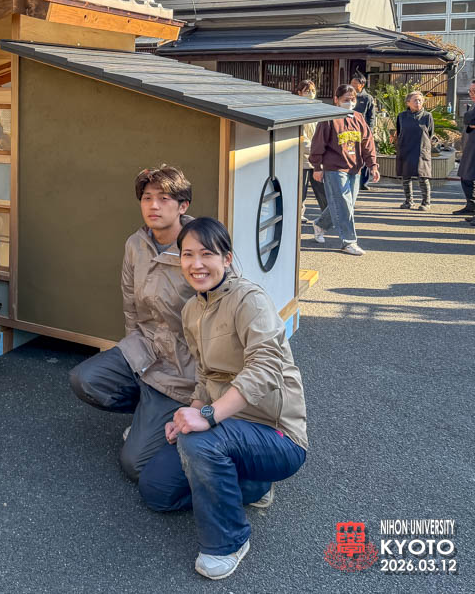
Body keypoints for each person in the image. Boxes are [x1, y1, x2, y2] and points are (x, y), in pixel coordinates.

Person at [135, 218, 308, 581]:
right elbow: (204, 376)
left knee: (200, 444)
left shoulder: (249, 299)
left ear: (226, 259)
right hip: (227, 425)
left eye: (207, 254)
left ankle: (229, 540)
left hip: (275, 434)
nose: (196, 264)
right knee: (156, 489)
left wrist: (209, 416)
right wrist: (190, 413)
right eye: (188, 255)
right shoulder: (192, 310)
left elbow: (266, 367)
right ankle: (252, 485)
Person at [69, 166, 197, 481]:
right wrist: (133, 356)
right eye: (147, 198)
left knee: (135, 465)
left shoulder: (199, 248)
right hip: (146, 348)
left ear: (182, 206)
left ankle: (181, 427)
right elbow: (131, 305)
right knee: (85, 380)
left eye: (164, 199)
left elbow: (225, 315)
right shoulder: (135, 244)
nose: (153, 206)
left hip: (184, 366)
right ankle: (148, 416)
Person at [310, 84, 379, 256]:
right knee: (343, 205)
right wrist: (317, 167)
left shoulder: (358, 117)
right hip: (334, 167)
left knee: (346, 204)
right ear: (336, 100)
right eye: (346, 100)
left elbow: (367, 143)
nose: (350, 103)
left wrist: (372, 165)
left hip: (355, 167)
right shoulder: (328, 118)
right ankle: (348, 242)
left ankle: (320, 224)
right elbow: (318, 144)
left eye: (352, 99)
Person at [394, 91, 435, 211]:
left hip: (421, 149)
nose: (418, 102)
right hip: (405, 148)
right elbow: (399, 131)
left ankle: (426, 202)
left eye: (420, 100)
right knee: (406, 177)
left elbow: (430, 133)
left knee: (423, 177)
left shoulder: (427, 116)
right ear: (408, 102)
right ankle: (409, 201)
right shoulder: (401, 116)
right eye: (415, 100)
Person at [294, 80, 327, 222]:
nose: (311, 94)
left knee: (322, 190)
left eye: (313, 91)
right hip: (304, 158)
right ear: (299, 93)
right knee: (301, 190)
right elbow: (301, 137)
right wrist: (316, 150)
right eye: (307, 91)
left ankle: (329, 216)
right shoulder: (296, 111)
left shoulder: (318, 109)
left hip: (318, 158)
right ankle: (298, 214)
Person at [351, 73, 376, 191]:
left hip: (363, 130)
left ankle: (363, 182)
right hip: (349, 129)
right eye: (352, 83)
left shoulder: (367, 98)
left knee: (365, 155)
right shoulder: (348, 95)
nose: (352, 85)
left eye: (355, 83)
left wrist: (370, 130)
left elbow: (371, 116)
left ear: (362, 85)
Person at [454, 80, 475, 223]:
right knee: (466, 176)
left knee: (470, 176)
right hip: (469, 147)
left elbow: (470, 120)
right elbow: (469, 121)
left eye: (474, 91)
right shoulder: (472, 105)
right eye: (470, 91)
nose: (471, 93)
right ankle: (471, 205)